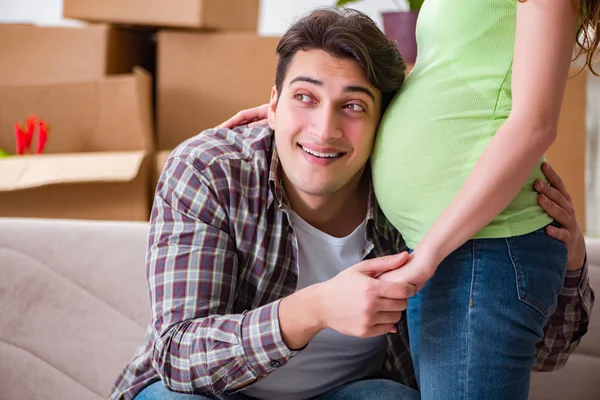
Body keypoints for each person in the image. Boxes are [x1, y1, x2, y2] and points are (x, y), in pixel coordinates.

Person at [110, 8, 594, 400]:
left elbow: (539, 356)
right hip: (210, 395)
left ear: (386, 121)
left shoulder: (413, 208)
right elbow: (175, 355)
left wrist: (570, 261)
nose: (325, 129)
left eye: (354, 106)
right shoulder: (211, 170)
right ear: (272, 106)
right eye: (305, 98)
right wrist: (314, 309)